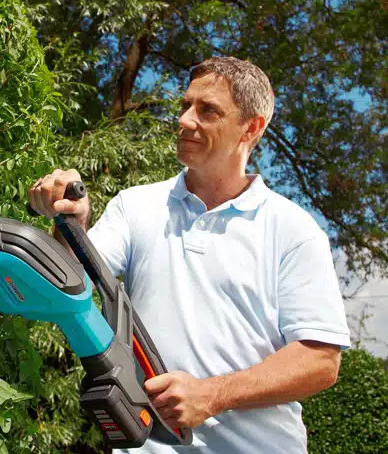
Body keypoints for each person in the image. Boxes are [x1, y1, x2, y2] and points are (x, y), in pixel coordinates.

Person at [27, 57, 350, 453]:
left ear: (251, 127)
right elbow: (67, 279)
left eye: (208, 110)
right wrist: (71, 223)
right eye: (185, 105)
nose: (184, 120)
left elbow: (320, 361)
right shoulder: (137, 206)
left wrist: (213, 395)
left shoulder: (294, 231)